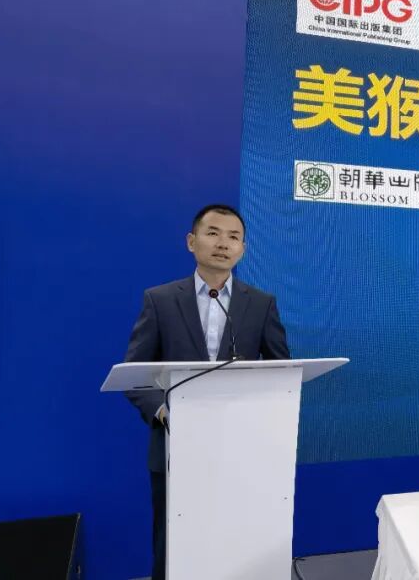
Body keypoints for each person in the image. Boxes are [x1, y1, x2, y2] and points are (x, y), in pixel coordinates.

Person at [124, 204, 290, 580]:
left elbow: (281, 371)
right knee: (173, 545)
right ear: (191, 241)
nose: (223, 244)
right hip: (175, 446)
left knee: (236, 540)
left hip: (242, 447)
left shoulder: (261, 304)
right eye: (213, 233)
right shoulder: (161, 300)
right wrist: (165, 411)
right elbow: (136, 375)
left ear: (243, 249)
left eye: (234, 237)